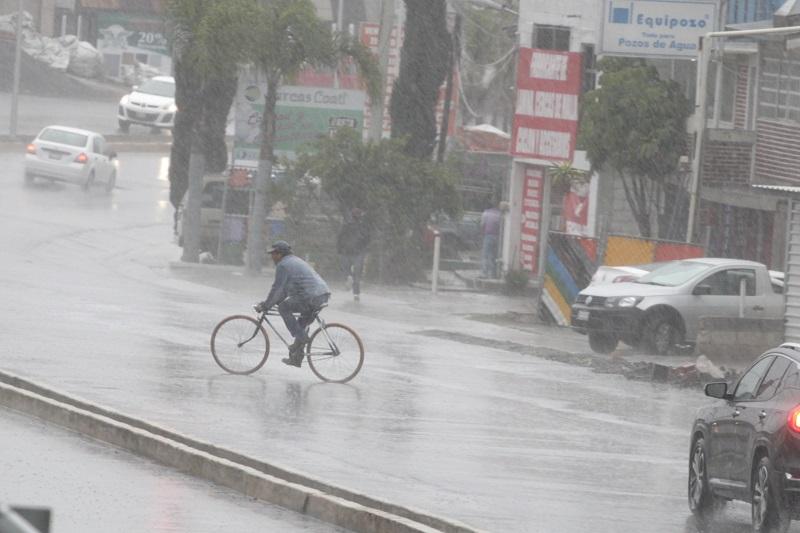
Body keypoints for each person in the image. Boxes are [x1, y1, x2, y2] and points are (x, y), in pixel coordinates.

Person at [255, 240, 330, 368]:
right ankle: (297, 358)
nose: (272, 256)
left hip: (311, 296)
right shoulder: (294, 260)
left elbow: (277, 288)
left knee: (284, 308)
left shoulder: (283, 265)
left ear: (280, 254)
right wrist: (269, 303)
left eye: (274, 253)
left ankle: (301, 338)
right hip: (322, 295)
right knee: (301, 323)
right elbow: (284, 291)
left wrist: (266, 305)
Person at [337, 207, 371, 302]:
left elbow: (339, 238)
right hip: (358, 252)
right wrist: (364, 248)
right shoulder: (363, 226)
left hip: (346, 251)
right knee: (357, 273)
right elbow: (367, 239)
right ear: (360, 217)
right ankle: (356, 293)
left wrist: (339, 249)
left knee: (346, 270)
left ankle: (348, 278)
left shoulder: (345, 225)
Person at [480, 202, 502, 278]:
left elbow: (482, 225)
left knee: (485, 255)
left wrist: (482, 234)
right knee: (494, 256)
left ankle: (484, 273)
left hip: (488, 235)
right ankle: (493, 273)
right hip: (498, 237)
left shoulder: (485, 213)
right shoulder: (499, 214)